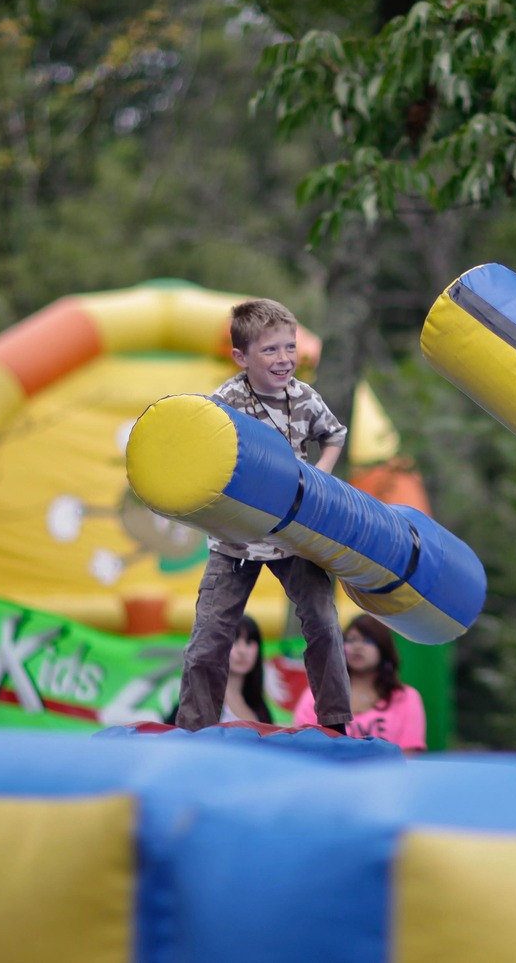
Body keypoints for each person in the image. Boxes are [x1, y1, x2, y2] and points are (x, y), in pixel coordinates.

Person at [174, 298, 352, 735]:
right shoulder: (227, 400)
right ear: (241, 357)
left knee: (323, 622)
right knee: (208, 640)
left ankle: (334, 722)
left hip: (291, 536)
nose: (283, 359)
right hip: (235, 541)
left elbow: (334, 435)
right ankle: (194, 728)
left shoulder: (304, 399)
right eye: (270, 350)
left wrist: (320, 477)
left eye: (289, 348)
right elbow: (204, 448)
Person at [294, 613, 427, 751]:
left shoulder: (406, 697)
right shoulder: (316, 696)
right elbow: (303, 749)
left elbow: (409, 754)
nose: (357, 646)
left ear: (384, 648)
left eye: (368, 641)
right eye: (351, 640)